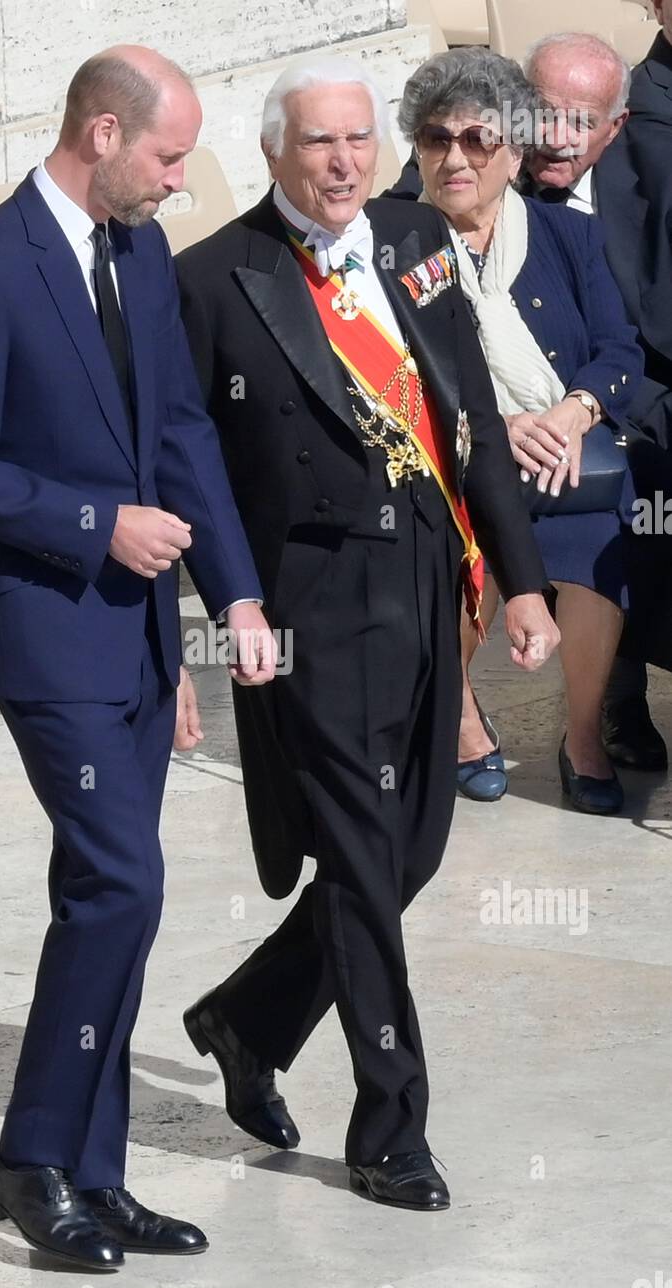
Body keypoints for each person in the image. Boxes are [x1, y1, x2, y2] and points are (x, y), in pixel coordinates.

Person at [0, 46, 274, 1272]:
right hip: (43, 627)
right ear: (103, 135)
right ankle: (28, 1161)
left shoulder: (140, 254)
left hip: (137, 630)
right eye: (169, 156)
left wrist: (232, 597)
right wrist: (89, 522)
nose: (182, 179)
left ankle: (91, 1175)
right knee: (123, 884)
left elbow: (176, 432)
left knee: (107, 897)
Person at [174, 55, 558, 1211]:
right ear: (272, 153)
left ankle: (246, 1018)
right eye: (316, 144)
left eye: (356, 142)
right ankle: (390, 1126)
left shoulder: (414, 242)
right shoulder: (212, 279)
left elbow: (473, 422)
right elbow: (183, 469)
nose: (342, 164)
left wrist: (526, 583)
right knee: (356, 852)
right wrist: (220, 607)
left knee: (408, 849)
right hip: (311, 607)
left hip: (427, 579)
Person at [396, 47, 644, 812]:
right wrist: (496, 428)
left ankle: (581, 737)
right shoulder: (391, 249)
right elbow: (385, 383)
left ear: (512, 149)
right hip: (453, 460)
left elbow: (621, 350)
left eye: (478, 140)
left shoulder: (568, 235)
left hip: (562, 454)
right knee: (462, 532)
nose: (456, 157)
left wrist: (573, 412)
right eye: (437, 139)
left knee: (599, 534)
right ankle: (461, 718)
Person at [523, 30, 672, 770]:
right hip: (539, 403)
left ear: (612, 129)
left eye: (580, 121)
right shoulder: (481, 170)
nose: (556, 138)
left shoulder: (639, 160)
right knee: (620, 481)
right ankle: (616, 697)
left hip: (641, 367)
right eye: (541, 112)